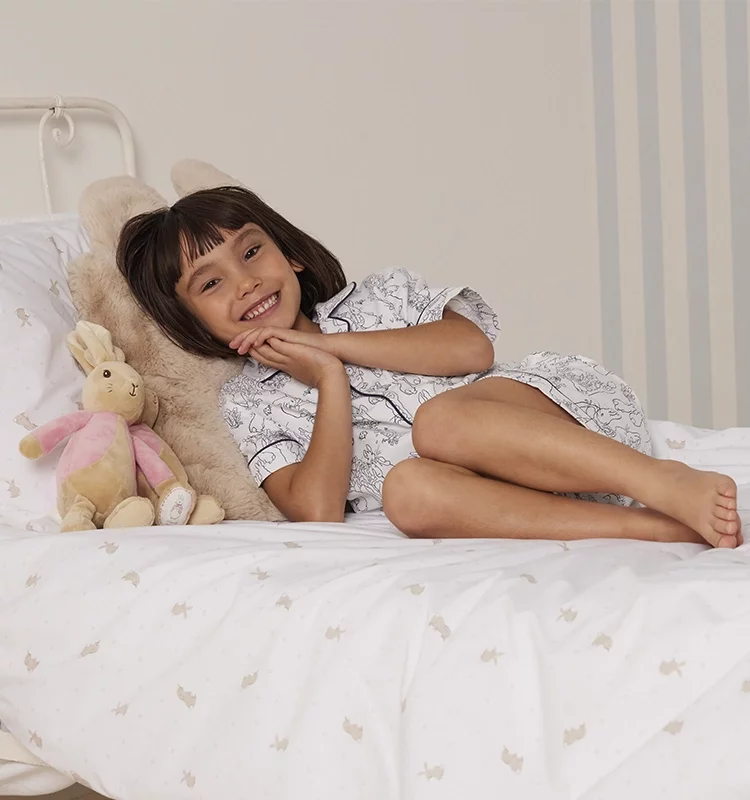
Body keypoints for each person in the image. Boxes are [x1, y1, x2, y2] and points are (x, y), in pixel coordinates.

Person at [117, 186, 742, 548]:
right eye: (211, 283)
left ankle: (661, 481)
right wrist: (329, 383)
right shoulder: (250, 405)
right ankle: (646, 531)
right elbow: (318, 512)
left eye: (252, 251)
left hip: (565, 428)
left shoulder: (378, 297)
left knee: (441, 422)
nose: (246, 281)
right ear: (193, 322)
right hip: (503, 499)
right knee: (406, 491)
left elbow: (471, 350)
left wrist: (335, 350)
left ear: (292, 255)